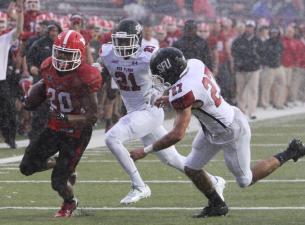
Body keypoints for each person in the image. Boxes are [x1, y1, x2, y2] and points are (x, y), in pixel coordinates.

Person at [130, 47, 305, 218]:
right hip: (213, 126)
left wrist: (145, 150)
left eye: (161, 75)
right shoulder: (194, 64)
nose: (160, 80)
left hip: (231, 130)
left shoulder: (184, 91)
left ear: (171, 71)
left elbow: (177, 134)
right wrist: (169, 98)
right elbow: (196, 94)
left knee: (245, 180)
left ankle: (290, 152)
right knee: (191, 168)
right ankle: (217, 204)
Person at [98, 18, 225, 205]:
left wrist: (159, 90)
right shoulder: (108, 51)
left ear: (138, 39)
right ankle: (214, 181)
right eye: (119, 40)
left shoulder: (149, 55)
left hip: (150, 110)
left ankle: (139, 186)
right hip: (134, 112)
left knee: (111, 138)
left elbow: (173, 75)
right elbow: (102, 71)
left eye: (127, 41)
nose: (122, 45)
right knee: (172, 159)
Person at [19, 30, 102, 217]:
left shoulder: (86, 75)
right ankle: (61, 164)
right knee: (27, 167)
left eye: (68, 54)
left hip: (77, 133)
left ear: (79, 55)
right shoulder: (48, 66)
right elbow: (44, 85)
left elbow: (93, 116)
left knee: (58, 182)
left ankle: (69, 202)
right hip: (55, 127)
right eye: (60, 53)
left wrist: (67, 118)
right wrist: (31, 98)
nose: (63, 58)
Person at [0, 0, 23, 148]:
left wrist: (20, 13)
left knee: (9, 110)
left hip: (1, 81)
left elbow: (19, 29)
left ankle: (10, 138)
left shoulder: (3, 39)